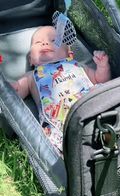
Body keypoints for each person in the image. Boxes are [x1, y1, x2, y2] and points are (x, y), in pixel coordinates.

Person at [11, 26, 111, 154]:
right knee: (53, 145)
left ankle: (110, 138)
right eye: (37, 43)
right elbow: (17, 90)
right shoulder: (31, 76)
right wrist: (11, 86)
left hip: (90, 104)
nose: (45, 43)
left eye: (53, 40)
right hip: (59, 121)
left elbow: (100, 80)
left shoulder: (78, 66)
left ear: (69, 54)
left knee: (104, 98)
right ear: (31, 59)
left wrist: (102, 67)